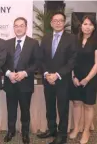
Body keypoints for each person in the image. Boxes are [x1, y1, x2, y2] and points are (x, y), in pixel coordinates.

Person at [37, 12, 77, 144]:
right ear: (51, 23)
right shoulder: (46, 38)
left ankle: (62, 135)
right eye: (55, 20)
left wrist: (57, 75)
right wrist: (46, 74)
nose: (58, 23)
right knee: (50, 106)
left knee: (63, 108)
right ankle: (52, 129)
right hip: (47, 79)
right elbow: (41, 58)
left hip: (62, 80)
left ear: (64, 22)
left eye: (60, 20)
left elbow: (72, 60)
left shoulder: (71, 38)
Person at [2, 17, 40, 144]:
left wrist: (25, 73)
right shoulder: (6, 43)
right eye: (16, 26)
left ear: (26, 27)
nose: (18, 28)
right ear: (13, 28)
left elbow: (37, 63)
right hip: (10, 82)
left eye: (21, 25)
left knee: (25, 110)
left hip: (25, 83)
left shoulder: (33, 43)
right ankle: (10, 131)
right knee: (11, 109)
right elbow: (2, 62)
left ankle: (25, 133)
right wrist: (8, 74)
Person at [69, 15, 97, 144]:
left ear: (94, 27)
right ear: (81, 25)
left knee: (88, 105)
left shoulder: (95, 40)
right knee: (76, 103)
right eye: (85, 24)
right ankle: (76, 128)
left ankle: (86, 131)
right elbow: (72, 60)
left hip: (90, 78)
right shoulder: (75, 40)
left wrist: (86, 79)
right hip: (76, 77)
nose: (87, 27)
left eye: (90, 24)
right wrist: (74, 76)